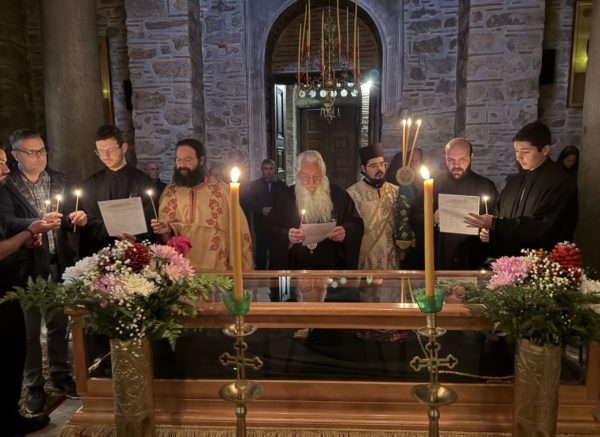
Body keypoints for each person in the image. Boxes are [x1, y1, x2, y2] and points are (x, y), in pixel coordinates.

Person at [0, 130, 87, 416]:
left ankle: (61, 374)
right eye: (32, 152)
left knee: (58, 323)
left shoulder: (59, 179)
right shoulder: (7, 185)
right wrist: (35, 223)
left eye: (42, 150)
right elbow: (7, 221)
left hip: (57, 261)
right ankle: (34, 385)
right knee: (28, 332)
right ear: (16, 155)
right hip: (25, 267)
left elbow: (69, 216)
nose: (40, 157)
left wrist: (77, 219)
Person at [0, 144, 58, 435]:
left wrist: (24, 239)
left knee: (13, 351)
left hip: (8, 285)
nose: (5, 168)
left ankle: (10, 415)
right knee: (11, 350)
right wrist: (29, 231)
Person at [464, 121, 578, 256]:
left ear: (545, 150)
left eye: (525, 152)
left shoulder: (561, 182)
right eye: (516, 151)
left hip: (540, 261)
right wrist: (490, 232)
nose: (518, 157)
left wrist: (496, 224)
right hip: (508, 262)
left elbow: (544, 227)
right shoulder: (514, 181)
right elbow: (499, 214)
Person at [151, 139, 253, 271]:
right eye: (178, 159)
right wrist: (167, 230)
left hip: (217, 269)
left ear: (201, 160)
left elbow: (239, 231)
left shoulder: (222, 191)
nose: (182, 165)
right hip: (180, 271)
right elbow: (164, 236)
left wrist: (243, 268)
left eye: (188, 159)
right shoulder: (169, 192)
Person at [268, 150, 363, 270]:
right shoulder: (285, 197)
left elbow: (356, 224)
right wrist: (287, 235)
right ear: (298, 174)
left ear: (323, 174)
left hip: (331, 267)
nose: (312, 182)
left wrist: (345, 232)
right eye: (306, 177)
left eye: (317, 176)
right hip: (296, 268)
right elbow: (271, 229)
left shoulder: (338, 194)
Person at [79, 125, 155, 258]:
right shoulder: (90, 184)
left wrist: (135, 237)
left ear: (124, 148)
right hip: (99, 252)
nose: (105, 156)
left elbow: (150, 217)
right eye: (100, 151)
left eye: (111, 150)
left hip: (134, 253)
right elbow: (88, 220)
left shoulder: (143, 181)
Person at [434, 138, 498, 269]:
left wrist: (489, 231)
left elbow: (497, 221)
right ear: (444, 157)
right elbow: (415, 216)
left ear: (471, 157)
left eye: (462, 159)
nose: (456, 165)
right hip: (441, 257)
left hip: (474, 258)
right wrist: (432, 218)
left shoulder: (486, 185)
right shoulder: (433, 184)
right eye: (450, 160)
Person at [347, 144, 400, 269]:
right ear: (363, 168)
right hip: (366, 256)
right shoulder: (352, 194)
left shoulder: (395, 191)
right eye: (374, 166)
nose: (380, 169)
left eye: (382, 164)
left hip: (391, 256)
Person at [241, 158, 287, 269]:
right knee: (261, 245)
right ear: (262, 170)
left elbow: (285, 203)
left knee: (276, 245)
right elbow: (248, 201)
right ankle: (260, 270)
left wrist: (274, 210)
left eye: (271, 168)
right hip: (260, 220)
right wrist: (261, 209)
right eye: (266, 169)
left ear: (274, 170)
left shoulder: (281, 185)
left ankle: (275, 270)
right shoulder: (254, 185)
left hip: (276, 222)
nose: (268, 171)